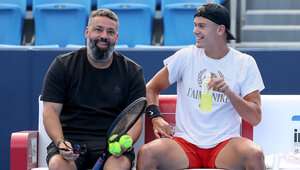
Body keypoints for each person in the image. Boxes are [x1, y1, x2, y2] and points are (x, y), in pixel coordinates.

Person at [137, 3, 265, 170]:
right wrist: (156, 118)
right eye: (195, 25)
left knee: (255, 155)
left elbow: (255, 117)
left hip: (225, 144)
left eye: (202, 26)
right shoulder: (185, 56)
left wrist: (230, 93)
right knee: (146, 153)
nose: (195, 31)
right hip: (185, 144)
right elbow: (150, 88)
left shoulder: (245, 63)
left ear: (220, 30)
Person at [41, 9, 146, 170]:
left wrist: (126, 143)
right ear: (87, 32)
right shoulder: (62, 65)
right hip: (71, 142)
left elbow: (135, 119)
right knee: (57, 165)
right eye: (98, 29)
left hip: (112, 145)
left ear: (116, 38)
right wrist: (61, 142)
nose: (104, 35)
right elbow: (50, 112)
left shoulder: (132, 71)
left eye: (110, 32)